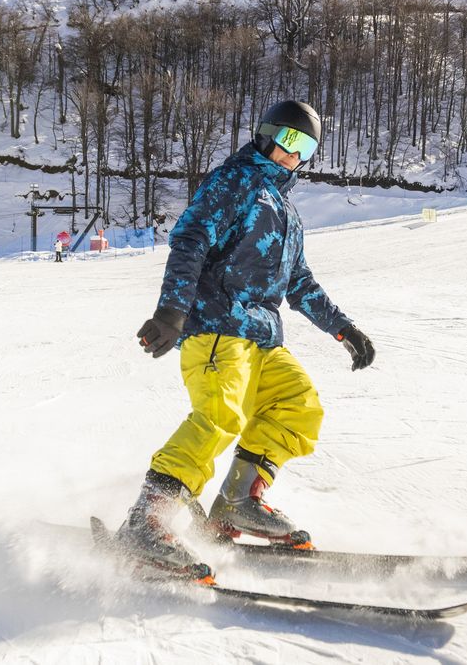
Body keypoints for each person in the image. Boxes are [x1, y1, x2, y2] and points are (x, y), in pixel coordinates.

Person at [117, 100, 376, 579]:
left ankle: (237, 501)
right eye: (290, 140)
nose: (294, 154)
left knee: (298, 405)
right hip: (216, 327)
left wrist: (343, 328)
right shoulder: (233, 181)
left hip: (262, 337)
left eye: (307, 147)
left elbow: (298, 282)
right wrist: (172, 312)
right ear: (266, 134)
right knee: (219, 416)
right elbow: (191, 240)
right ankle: (146, 522)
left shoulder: (285, 209)